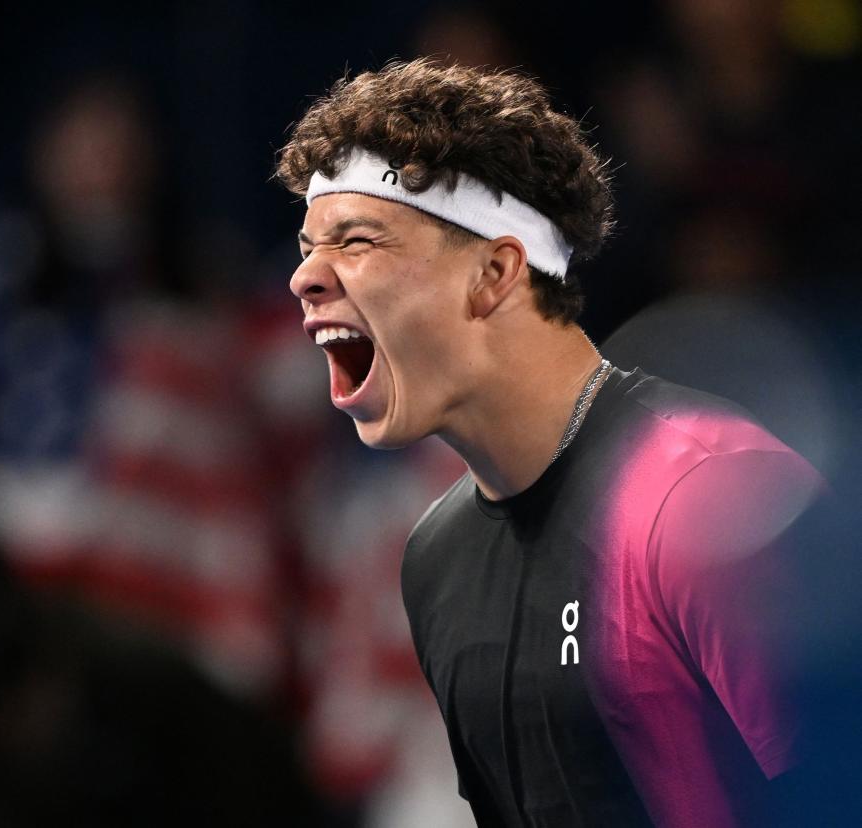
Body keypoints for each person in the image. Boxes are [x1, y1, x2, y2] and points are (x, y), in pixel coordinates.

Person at [275, 59, 823, 827]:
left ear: (495, 272)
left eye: (357, 240)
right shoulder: (435, 559)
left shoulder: (711, 492)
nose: (305, 277)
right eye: (307, 246)